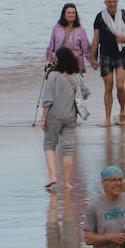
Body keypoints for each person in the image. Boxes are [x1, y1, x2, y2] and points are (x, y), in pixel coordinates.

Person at [40, 47, 89, 192]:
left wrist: (43, 118)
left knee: (49, 145)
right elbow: (86, 93)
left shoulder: (53, 76)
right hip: (70, 117)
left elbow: (47, 100)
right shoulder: (77, 75)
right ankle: (67, 182)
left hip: (54, 116)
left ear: (58, 60)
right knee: (68, 148)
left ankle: (54, 176)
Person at [90, 0, 125, 126]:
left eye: (114, 1)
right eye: (109, 1)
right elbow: (96, 38)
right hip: (105, 55)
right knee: (108, 86)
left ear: (117, 1)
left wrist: (124, 38)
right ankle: (107, 119)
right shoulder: (100, 17)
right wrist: (93, 58)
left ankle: (122, 111)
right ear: (105, 3)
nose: (112, 4)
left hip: (121, 53)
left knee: (120, 86)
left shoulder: (124, 15)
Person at [45, 4, 93, 73]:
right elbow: (51, 46)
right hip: (59, 65)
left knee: (74, 84)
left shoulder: (80, 30)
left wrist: (93, 62)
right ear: (64, 14)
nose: (71, 15)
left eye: (73, 13)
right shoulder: (57, 28)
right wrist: (48, 60)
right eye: (69, 13)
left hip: (76, 66)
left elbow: (86, 49)